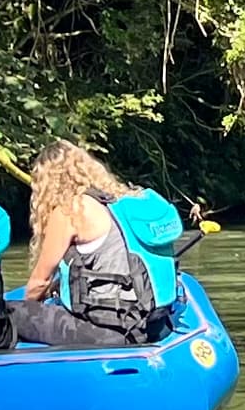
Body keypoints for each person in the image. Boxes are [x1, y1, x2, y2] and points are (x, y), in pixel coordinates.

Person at [11, 140, 162, 350]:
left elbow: (40, 282)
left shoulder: (69, 211)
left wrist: (29, 307)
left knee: (11, 313)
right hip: (147, 322)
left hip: (109, 331)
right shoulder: (117, 202)